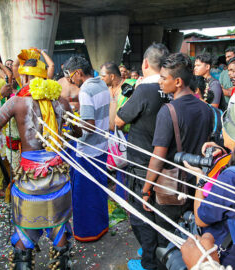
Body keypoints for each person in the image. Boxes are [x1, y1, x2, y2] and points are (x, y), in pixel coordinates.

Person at [0, 50, 81, 270]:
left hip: (28, 178)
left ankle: (24, 263)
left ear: (24, 77)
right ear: (45, 77)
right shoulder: (61, 101)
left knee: (25, 228)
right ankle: (61, 263)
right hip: (57, 176)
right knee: (59, 224)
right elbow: (78, 132)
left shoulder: (16, 102)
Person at [141, 53, 213, 263]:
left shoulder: (168, 111)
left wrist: (146, 190)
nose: (160, 82)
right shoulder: (206, 109)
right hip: (196, 186)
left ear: (178, 81)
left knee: (168, 243)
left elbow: (158, 157)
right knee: (192, 237)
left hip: (171, 189)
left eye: (164, 78)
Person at [185, 99, 235, 269]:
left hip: (227, 252)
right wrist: (225, 153)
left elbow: (201, 219)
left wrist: (199, 180)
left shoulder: (231, 178)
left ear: (232, 133)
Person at [115, 43, 169, 270]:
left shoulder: (144, 90)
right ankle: (157, 251)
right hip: (167, 162)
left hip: (142, 163)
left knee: (141, 214)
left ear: (145, 63)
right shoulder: (171, 87)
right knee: (161, 210)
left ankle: (150, 260)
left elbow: (118, 120)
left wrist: (121, 93)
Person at [63, 56, 110, 242]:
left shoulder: (85, 90)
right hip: (101, 147)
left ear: (79, 73)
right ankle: (101, 226)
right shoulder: (102, 84)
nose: (70, 79)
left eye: (70, 75)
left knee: (84, 194)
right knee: (98, 190)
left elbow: (89, 127)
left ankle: (88, 232)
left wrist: (73, 128)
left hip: (88, 150)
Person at [100, 61, 129, 199]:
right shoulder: (106, 89)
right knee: (116, 169)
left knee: (126, 169)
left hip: (126, 136)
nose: (101, 79)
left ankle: (127, 202)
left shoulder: (128, 87)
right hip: (110, 135)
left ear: (112, 76)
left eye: (103, 76)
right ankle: (120, 198)